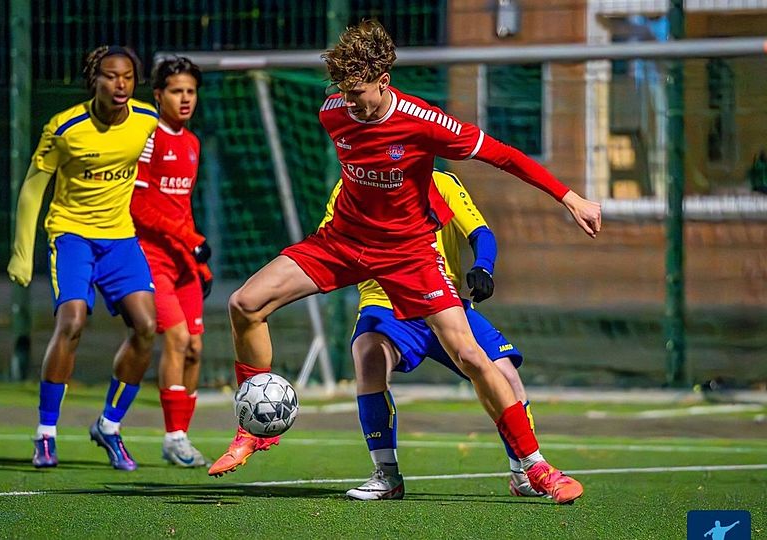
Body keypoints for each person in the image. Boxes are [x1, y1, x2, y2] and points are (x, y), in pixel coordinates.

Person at [209, 20, 600, 505]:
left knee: (471, 355)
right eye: (344, 92)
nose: (350, 102)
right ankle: (256, 430)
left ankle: (536, 468)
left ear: (384, 82)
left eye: (359, 93)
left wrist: (570, 197)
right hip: (343, 240)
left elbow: (503, 157)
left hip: (408, 252)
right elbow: (345, 120)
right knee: (245, 303)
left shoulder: (425, 121)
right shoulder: (332, 113)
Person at [328, 170, 543, 500]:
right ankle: (386, 475)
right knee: (369, 354)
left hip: (445, 303)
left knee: (505, 374)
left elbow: (480, 233)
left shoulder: (442, 182)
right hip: (386, 303)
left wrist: (483, 265)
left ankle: (524, 471)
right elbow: (327, 241)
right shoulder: (349, 183)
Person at [7, 45, 160, 471]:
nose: (120, 84)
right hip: (72, 235)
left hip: (120, 239)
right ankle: (45, 433)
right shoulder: (66, 127)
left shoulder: (147, 120)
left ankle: (109, 426)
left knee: (147, 327)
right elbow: (35, 186)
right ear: (94, 79)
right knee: (72, 322)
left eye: (128, 76)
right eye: (111, 76)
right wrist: (22, 253)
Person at [130, 56, 213, 468]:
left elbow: (181, 208)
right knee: (176, 338)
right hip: (151, 256)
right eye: (177, 91)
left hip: (184, 261)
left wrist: (199, 261)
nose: (185, 99)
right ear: (158, 95)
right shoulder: (150, 137)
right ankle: (173, 437)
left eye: (191, 91)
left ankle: (180, 436)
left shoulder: (193, 143)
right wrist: (190, 240)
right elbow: (139, 206)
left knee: (196, 348)